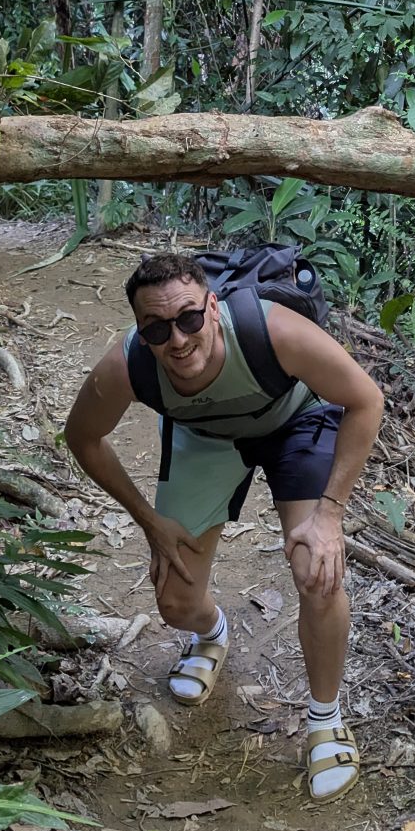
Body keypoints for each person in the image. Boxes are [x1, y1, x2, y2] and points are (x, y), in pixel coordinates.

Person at [63, 249, 385, 802]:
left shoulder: (273, 331)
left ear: (213, 308)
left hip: (297, 423)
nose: (178, 340)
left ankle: (325, 720)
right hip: (205, 437)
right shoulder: (128, 365)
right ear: (141, 332)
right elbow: (83, 437)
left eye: (189, 318)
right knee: (174, 603)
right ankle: (211, 635)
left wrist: (329, 515)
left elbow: (365, 400)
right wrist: (150, 523)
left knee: (317, 568)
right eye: (158, 329)